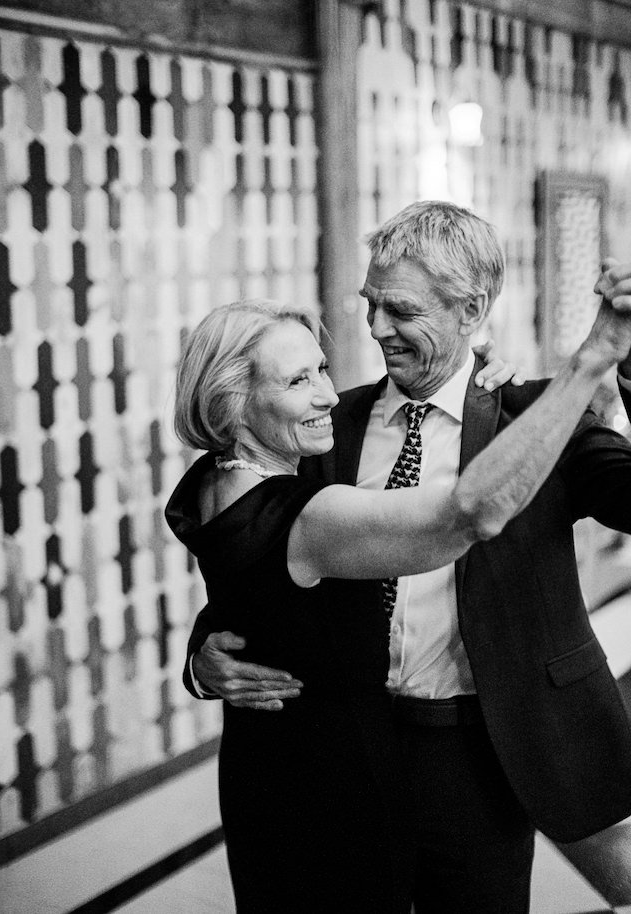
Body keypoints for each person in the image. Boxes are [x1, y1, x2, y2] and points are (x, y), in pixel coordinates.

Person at [182, 201, 631, 912]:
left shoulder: (537, 420)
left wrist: (620, 373)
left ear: (470, 308)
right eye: (370, 303)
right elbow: (263, 563)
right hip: (345, 760)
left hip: (480, 753)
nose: (376, 327)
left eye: (401, 309)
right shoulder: (331, 425)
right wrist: (207, 652)